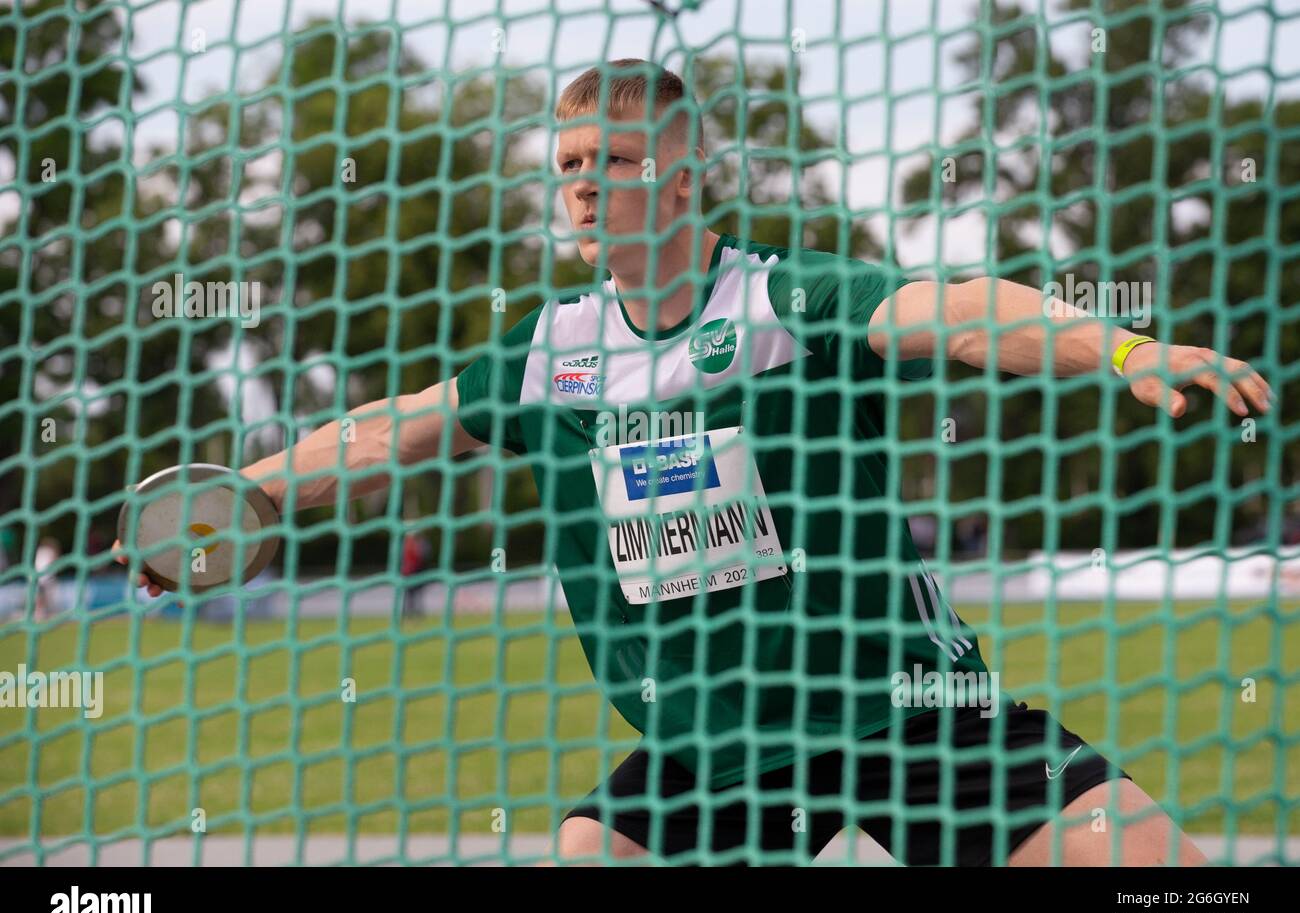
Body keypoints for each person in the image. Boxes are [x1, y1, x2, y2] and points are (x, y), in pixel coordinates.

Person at [123, 59, 1272, 866]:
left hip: (907, 710)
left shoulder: (782, 300)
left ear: (680, 179)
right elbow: (399, 426)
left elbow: (962, 313)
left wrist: (1120, 347)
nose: (582, 182)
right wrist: (247, 493)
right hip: (714, 747)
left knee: (1163, 884)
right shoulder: (550, 351)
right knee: (591, 846)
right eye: (568, 160)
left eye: (612, 158)